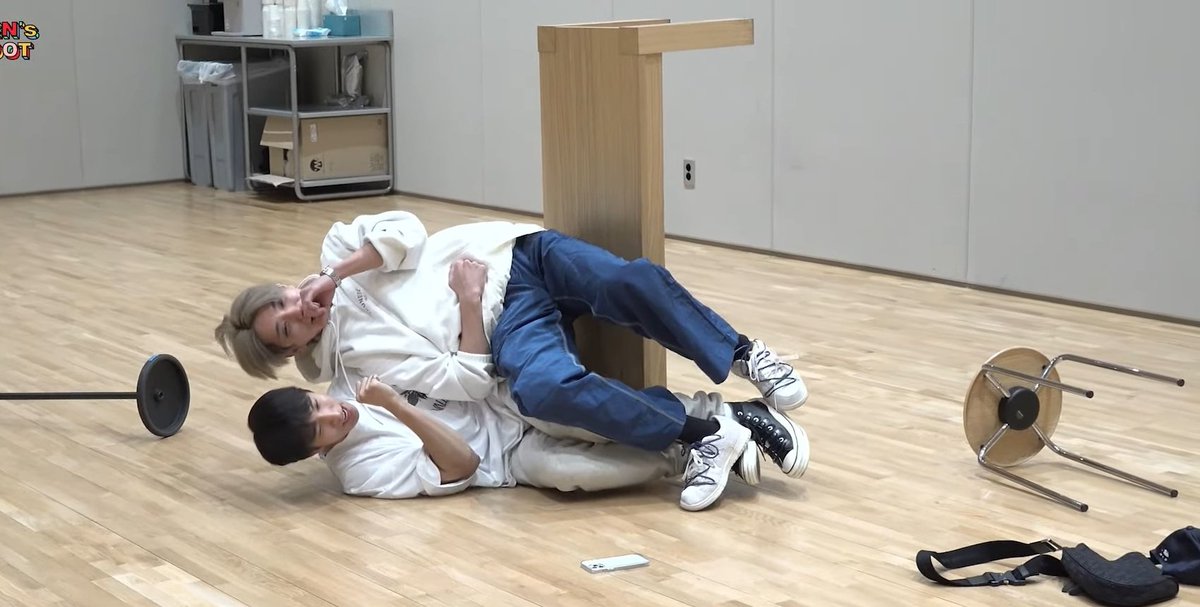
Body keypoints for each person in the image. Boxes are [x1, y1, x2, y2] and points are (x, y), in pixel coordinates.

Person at [216, 210, 810, 511]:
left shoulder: (338, 249)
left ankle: (744, 355)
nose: (299, 311)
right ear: (290, 351)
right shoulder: (354, 370)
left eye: (285, 300)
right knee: (546, 392)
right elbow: (463, 380)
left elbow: (406, 232)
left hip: (514, 258)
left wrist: (335, 274)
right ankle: (715, 428)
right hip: (509, 330)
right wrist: (468, 304)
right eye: (287, 326)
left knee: (627, 281)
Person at [246, 374, 804, 510]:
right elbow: (460, 466)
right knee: (569, 472)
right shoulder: (359, 473)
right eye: (321, 427)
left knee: (585, 411)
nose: (334, 411)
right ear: (316, 452)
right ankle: (695, 451)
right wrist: (393, 405)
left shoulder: (348, 378)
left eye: (317, 403)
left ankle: (721, 415)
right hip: (505, 461)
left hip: (501, 402)